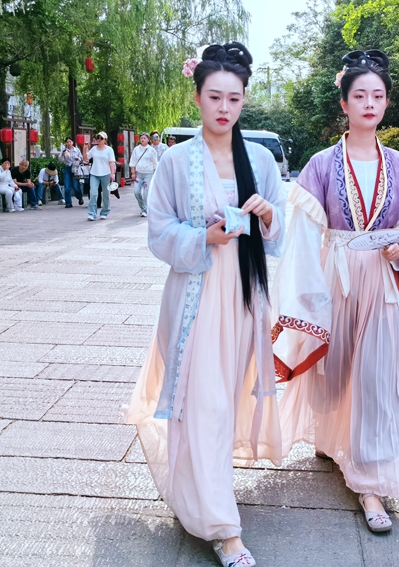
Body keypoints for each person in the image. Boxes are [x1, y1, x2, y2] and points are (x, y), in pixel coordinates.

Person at [125, 42, 286, 567]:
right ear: (197, 97)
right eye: (214, 96)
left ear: (243, 101)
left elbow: (280, 229)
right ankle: (223, 527)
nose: (224, 108)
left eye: (233, 98)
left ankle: (201, 499)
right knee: (203, 402)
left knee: (222, 403)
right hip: (195, 296)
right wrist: (206, 238)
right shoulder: (176, 160)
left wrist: (265, 216)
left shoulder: (259, 159)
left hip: (242, 297)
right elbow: (159, 232)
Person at [271, 49, 399, 535]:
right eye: (359, 95)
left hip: (381, 280)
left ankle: (370, 482)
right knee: (335, 370)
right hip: (336, 276)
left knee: (377, 379)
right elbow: (303, 235)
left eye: (377, 96)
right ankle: (330, 439)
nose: (369, 103)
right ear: (344, 102)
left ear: (386, 104)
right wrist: (304, 294)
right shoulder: (321, 164)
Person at [83, 132, 116, 221]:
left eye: (101, 138)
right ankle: (92, 213)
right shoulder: (94, 149)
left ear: (105, 140)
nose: (99, 139)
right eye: (98, 137)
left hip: (106, 174)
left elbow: (111, 163)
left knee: (105, 194)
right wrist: (84, 149)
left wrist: (112, 174)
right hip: (94, 173)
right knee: (93, 193)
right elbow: (85, 159)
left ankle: (105, 211)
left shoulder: (109, 150)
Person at [129, 132, 158, 217]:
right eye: (141, 138)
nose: (143, 139)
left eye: (145, 138)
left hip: (148, 173)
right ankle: (143, 207)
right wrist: (133, 173)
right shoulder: (136, 149)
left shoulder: (151, 150)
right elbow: (132, 162)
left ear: (148, 140)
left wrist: (156, 173)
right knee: (136, 192)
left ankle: (145, 209)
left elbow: (155, 163)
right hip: (139, 174)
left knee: (146, 192)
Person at [59, 137, 83, 208]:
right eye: (67, 142)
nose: (69, 143)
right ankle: (68, 202)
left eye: (70, 141)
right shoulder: (65, 151)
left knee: (76, 186)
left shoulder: (77, 150)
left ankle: (80, 197)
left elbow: (81, 158)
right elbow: (60, 159)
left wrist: (77, 158)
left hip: (75, 168)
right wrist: (63, 154)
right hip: (68, 168)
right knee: (67, 187)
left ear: (73, 142)